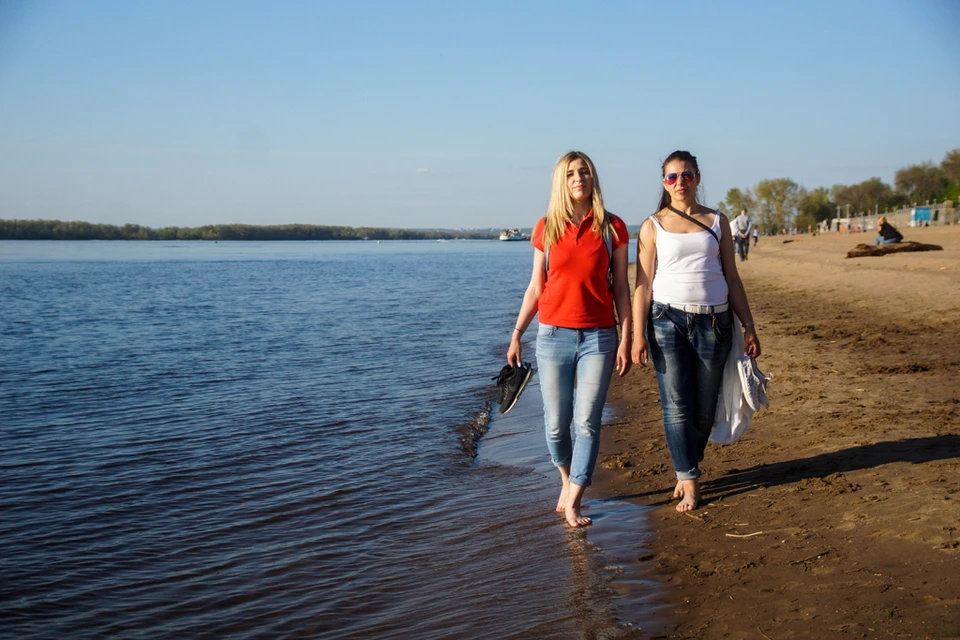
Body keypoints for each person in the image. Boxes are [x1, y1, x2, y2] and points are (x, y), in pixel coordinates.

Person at [631, 150, 761, 512]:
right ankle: (688, 478)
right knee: (676, 405)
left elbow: (732, 277)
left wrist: (748, 325)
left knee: (704, 409)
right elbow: (642, 284)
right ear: (664, 183)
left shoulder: (718, 221)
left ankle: (687, 462)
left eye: (686, 175)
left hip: (715, 322)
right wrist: (637, 334)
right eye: (672, 177)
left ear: (697, 179)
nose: (679, 182)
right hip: (666, 321)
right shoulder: (651, 225)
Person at [508, 151, 632, 528]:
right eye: (572, 174)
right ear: (561, 182)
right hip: (552, 337)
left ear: (594, 179)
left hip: (599, 338)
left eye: (585, 172)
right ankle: (565, 480)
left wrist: (626, 338)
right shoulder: (546, 227)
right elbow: (535, 287)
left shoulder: (613, 228)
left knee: (587, 423)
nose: (579, 178)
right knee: (556, 426)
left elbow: (623, 289)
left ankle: (575, 498)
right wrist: (516, 335)